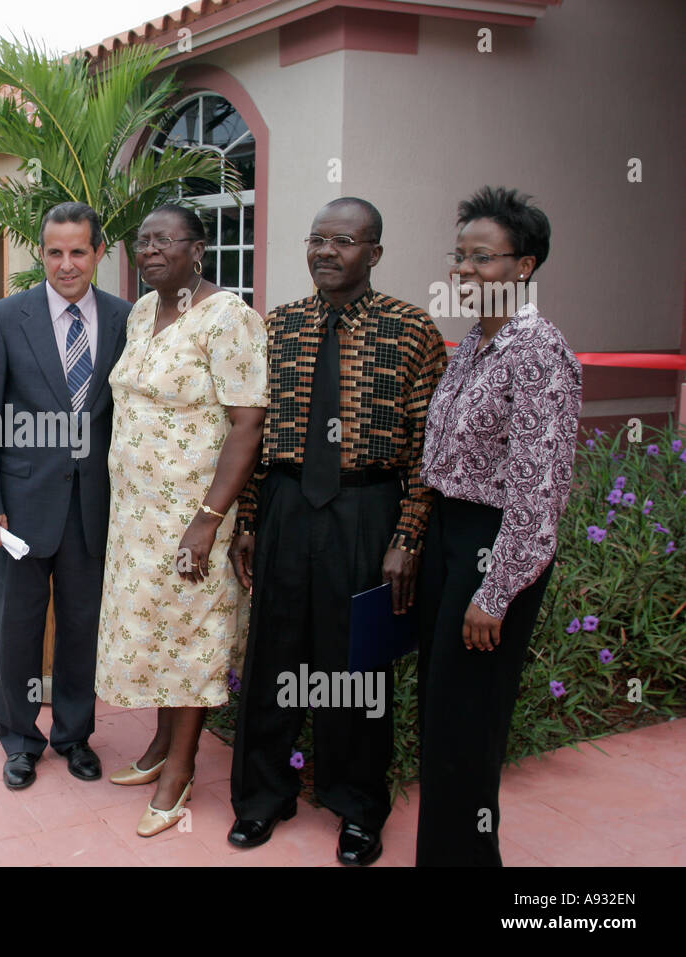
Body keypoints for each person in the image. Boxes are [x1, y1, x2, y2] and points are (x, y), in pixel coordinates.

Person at [227, 197, 448, 866]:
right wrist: (247, 521)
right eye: (316, 239)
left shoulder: (412, 330)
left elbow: (427, 449)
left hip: (365, 510)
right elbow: (258, 435)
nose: (326, 252)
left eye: (344, 241)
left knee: (354, 671)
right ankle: (264, 799)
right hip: (289, 506)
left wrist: (407, 537)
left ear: (374, 252)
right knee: (273, 661)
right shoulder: (280, 325)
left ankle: (356, 808)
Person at [416, 187, 581, 866]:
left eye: (482, 258)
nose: (464, 271)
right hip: (448, 537)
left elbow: (540, 490)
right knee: (441, 714)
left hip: (495, 548)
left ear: (524, 266)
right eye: (459, 257)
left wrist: (496, 590)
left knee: (468, 721)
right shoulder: (473, 345)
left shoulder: (538, 350)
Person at [95, 204, 267, 837]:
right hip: (136, 515)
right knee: (155, 631)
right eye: (143, 241)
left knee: (190, 634)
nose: (151, 250)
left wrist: (208, 520)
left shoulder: (230, 319)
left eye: (167, 240)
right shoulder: (143, 311)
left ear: (199, 248)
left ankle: (182, 770)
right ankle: (162, 743)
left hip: (194, 514)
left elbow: (248, 424)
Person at [0, 202, 129, 790]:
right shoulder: (4, 320)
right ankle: (19, 739)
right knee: (17, 631)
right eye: (55, 252)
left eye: (78, 251)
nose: (66, 264)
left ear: (98, 253)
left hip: (93, 511)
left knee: (83, 629)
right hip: (20, 512)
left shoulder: (125, 319)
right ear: (42, 253)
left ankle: (75, 736)